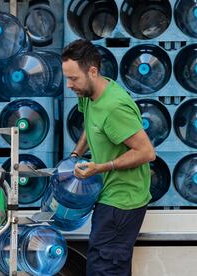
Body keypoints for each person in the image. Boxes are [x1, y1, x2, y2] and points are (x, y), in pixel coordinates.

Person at [61, 39, 156, 276]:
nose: (69, 85)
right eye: (67, 78)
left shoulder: (115, 107)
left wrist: (101, 167)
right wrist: (75, 154)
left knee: (104, 269)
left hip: (122, 203)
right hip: (108, 195)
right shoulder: (89, 93)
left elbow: (146, 153)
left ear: (92, 71)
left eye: (73, 78)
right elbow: (90, 123)